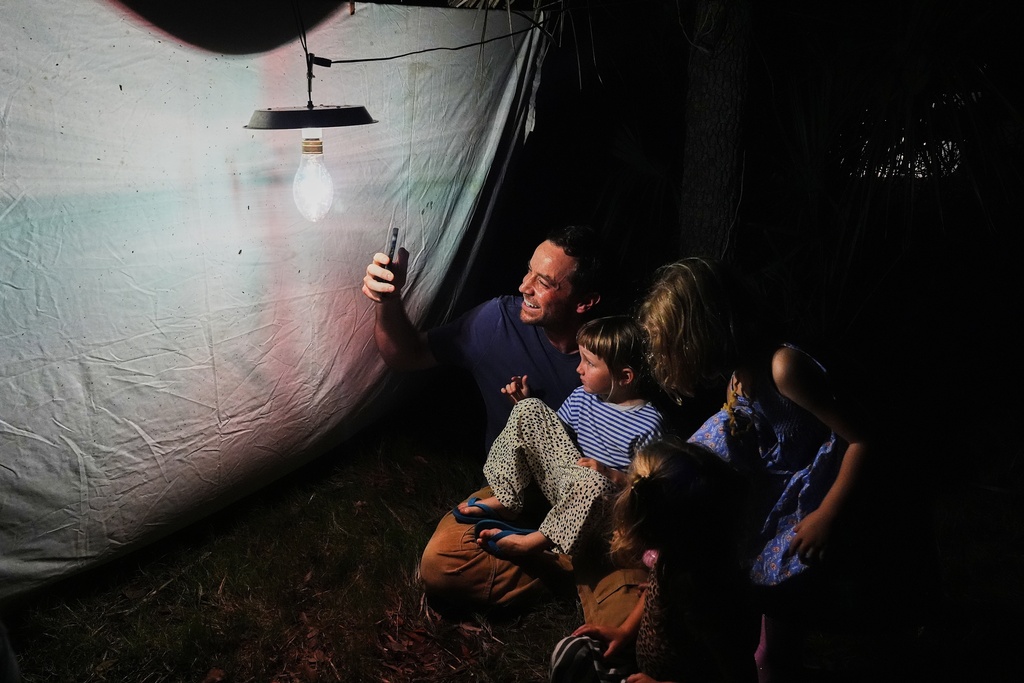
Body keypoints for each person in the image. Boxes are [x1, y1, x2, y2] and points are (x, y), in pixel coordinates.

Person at [361, 224, 648, 627]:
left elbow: (652, 471)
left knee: (630, 622)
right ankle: (568, 571)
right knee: (441, 563)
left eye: (544, 282)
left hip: (599, 511)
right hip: (527, 496)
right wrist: (387, 300)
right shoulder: (498, 322)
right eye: (528, 272)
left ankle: (577, 570)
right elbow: (406, 353)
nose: (524, 286)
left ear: (585, 301)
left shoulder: (616, 354)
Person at [636, 257, 873, 683]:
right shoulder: (738, 376)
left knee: (781, 584)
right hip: (771, 485)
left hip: (813, 492)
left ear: (704, 331)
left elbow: (862, 438)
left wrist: (828, 515)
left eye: (674, 344)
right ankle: (764, 646)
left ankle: (777, 656)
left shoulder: (784, 368)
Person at [456, 315, 666, 559]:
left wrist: (610, 474)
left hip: (601, 504)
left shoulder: (648, 424)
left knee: (595, 484)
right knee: (530, 408)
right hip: (566, 480)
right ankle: (507, 499)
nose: (579, 369)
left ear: (625, 377)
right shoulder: (583, 397)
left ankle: (536, 542)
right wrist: (524, 403)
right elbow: (553, 437)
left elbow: (648, 490)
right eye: (580, 359)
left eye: (589, 363)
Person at [551, 438, 759, 683]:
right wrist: (625, 631)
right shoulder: (679, 553)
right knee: (572, 654)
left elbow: (738, 675)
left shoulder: (706, 594)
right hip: (644, 664)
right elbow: (655, 588)